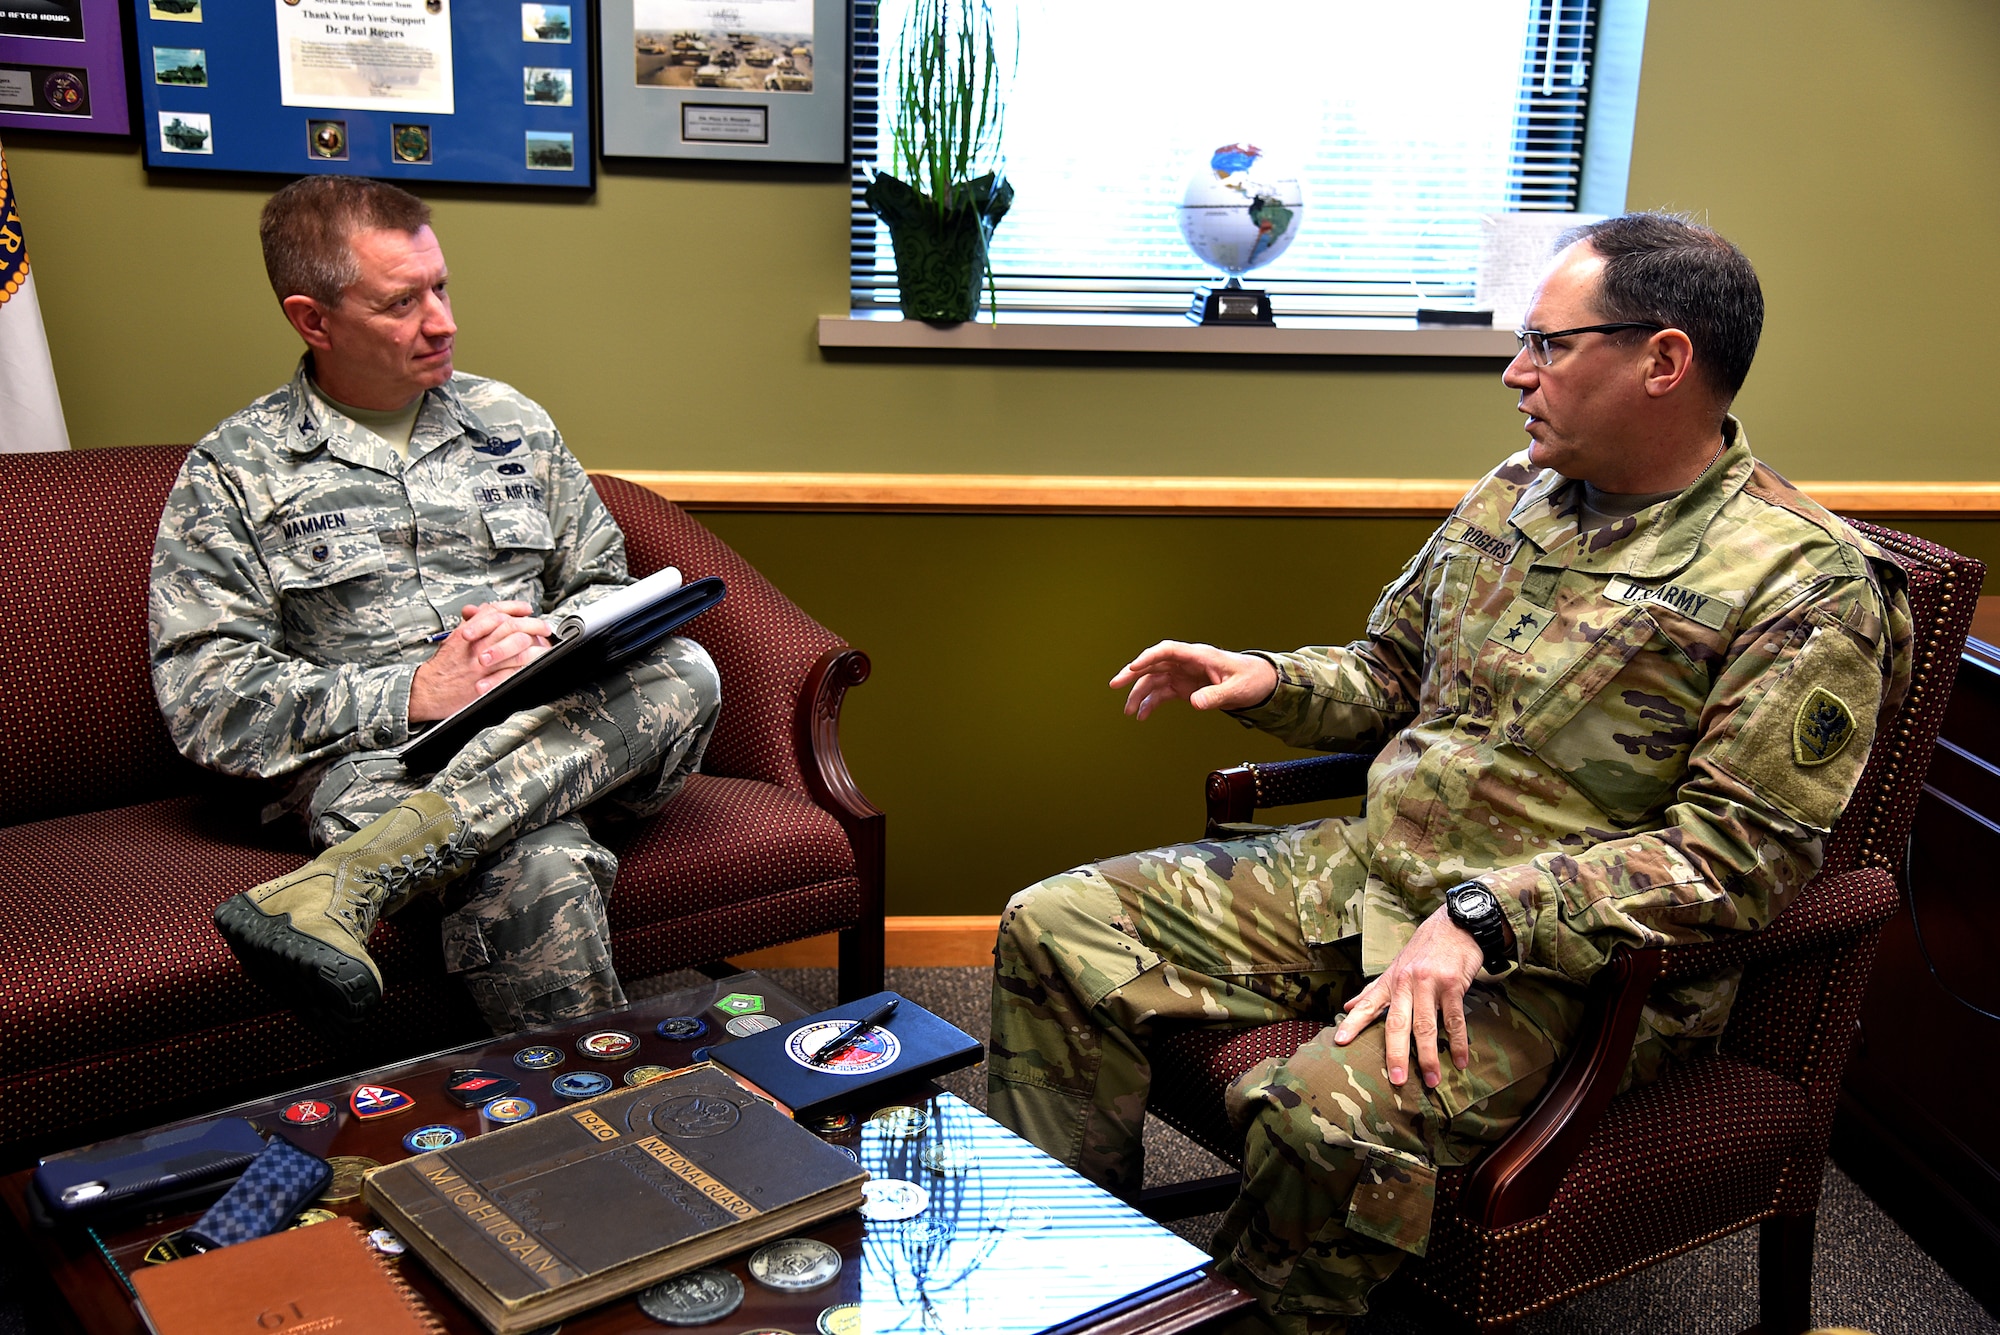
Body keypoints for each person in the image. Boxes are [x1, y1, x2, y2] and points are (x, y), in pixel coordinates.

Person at [987, 214, 1914, 1334]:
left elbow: (1737, 857)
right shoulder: (1515, 493)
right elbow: (1386, 673)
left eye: (1547, 344)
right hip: (1377, 871)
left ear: (1663, 361)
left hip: (1571, 969)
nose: (1513, 372)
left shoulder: (1804, 584)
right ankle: (1068, 1286)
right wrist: (1266, 677)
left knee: (1319, 1114)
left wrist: (1485, 913)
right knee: (1054, 925)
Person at [150, 176, 721, 1036]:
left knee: (688, 664)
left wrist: (547, 640)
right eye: (401, 301)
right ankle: (599, 1120)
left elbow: (599, 577)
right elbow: (207, 701)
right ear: (313, 319)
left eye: (441, 287)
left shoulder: (510, 423)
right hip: (382, 766)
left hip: (559, 720)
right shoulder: (234, 472)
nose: (443, 321)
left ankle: (355, 879)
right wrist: (416, 691)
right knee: (539, 861)